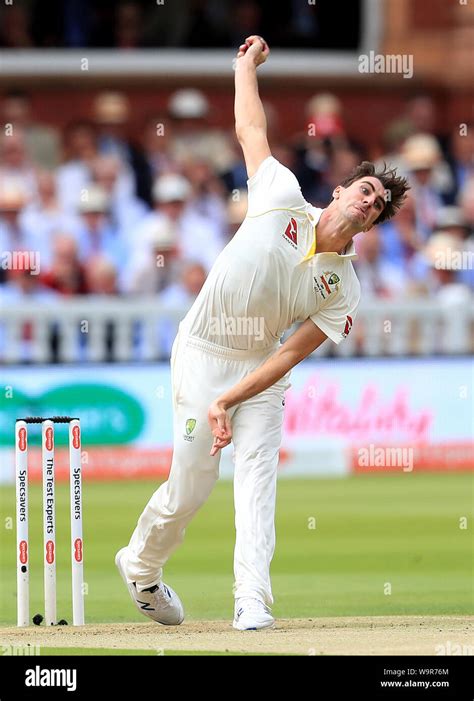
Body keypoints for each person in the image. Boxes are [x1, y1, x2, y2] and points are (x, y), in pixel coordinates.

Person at [115, 35, 410, 631]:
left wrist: (235, 396)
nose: (367, 201)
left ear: (372, 224)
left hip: (259, 370)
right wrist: (244, 66)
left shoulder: (345, 290)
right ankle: (141, 568)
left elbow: (291, 354)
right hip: (202, 351)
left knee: (257, 475)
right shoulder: (279, 195)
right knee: (192, 485)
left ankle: (252, 599)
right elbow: (251, 130)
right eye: (365, 190)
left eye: (377, 205)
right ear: (341, 191)